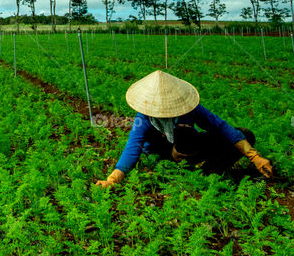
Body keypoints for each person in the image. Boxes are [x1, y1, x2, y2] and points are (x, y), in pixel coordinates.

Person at [96, 70, 273, 188]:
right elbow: (133, 147)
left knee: (245, 135)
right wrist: (112, 179)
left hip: (190, 144)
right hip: (163, 151)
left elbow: (221, 127)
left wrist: (255, 157)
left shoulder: (190, 108)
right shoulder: (144, 117)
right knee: (164, 147)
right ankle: (185, 168)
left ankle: (208, 170)